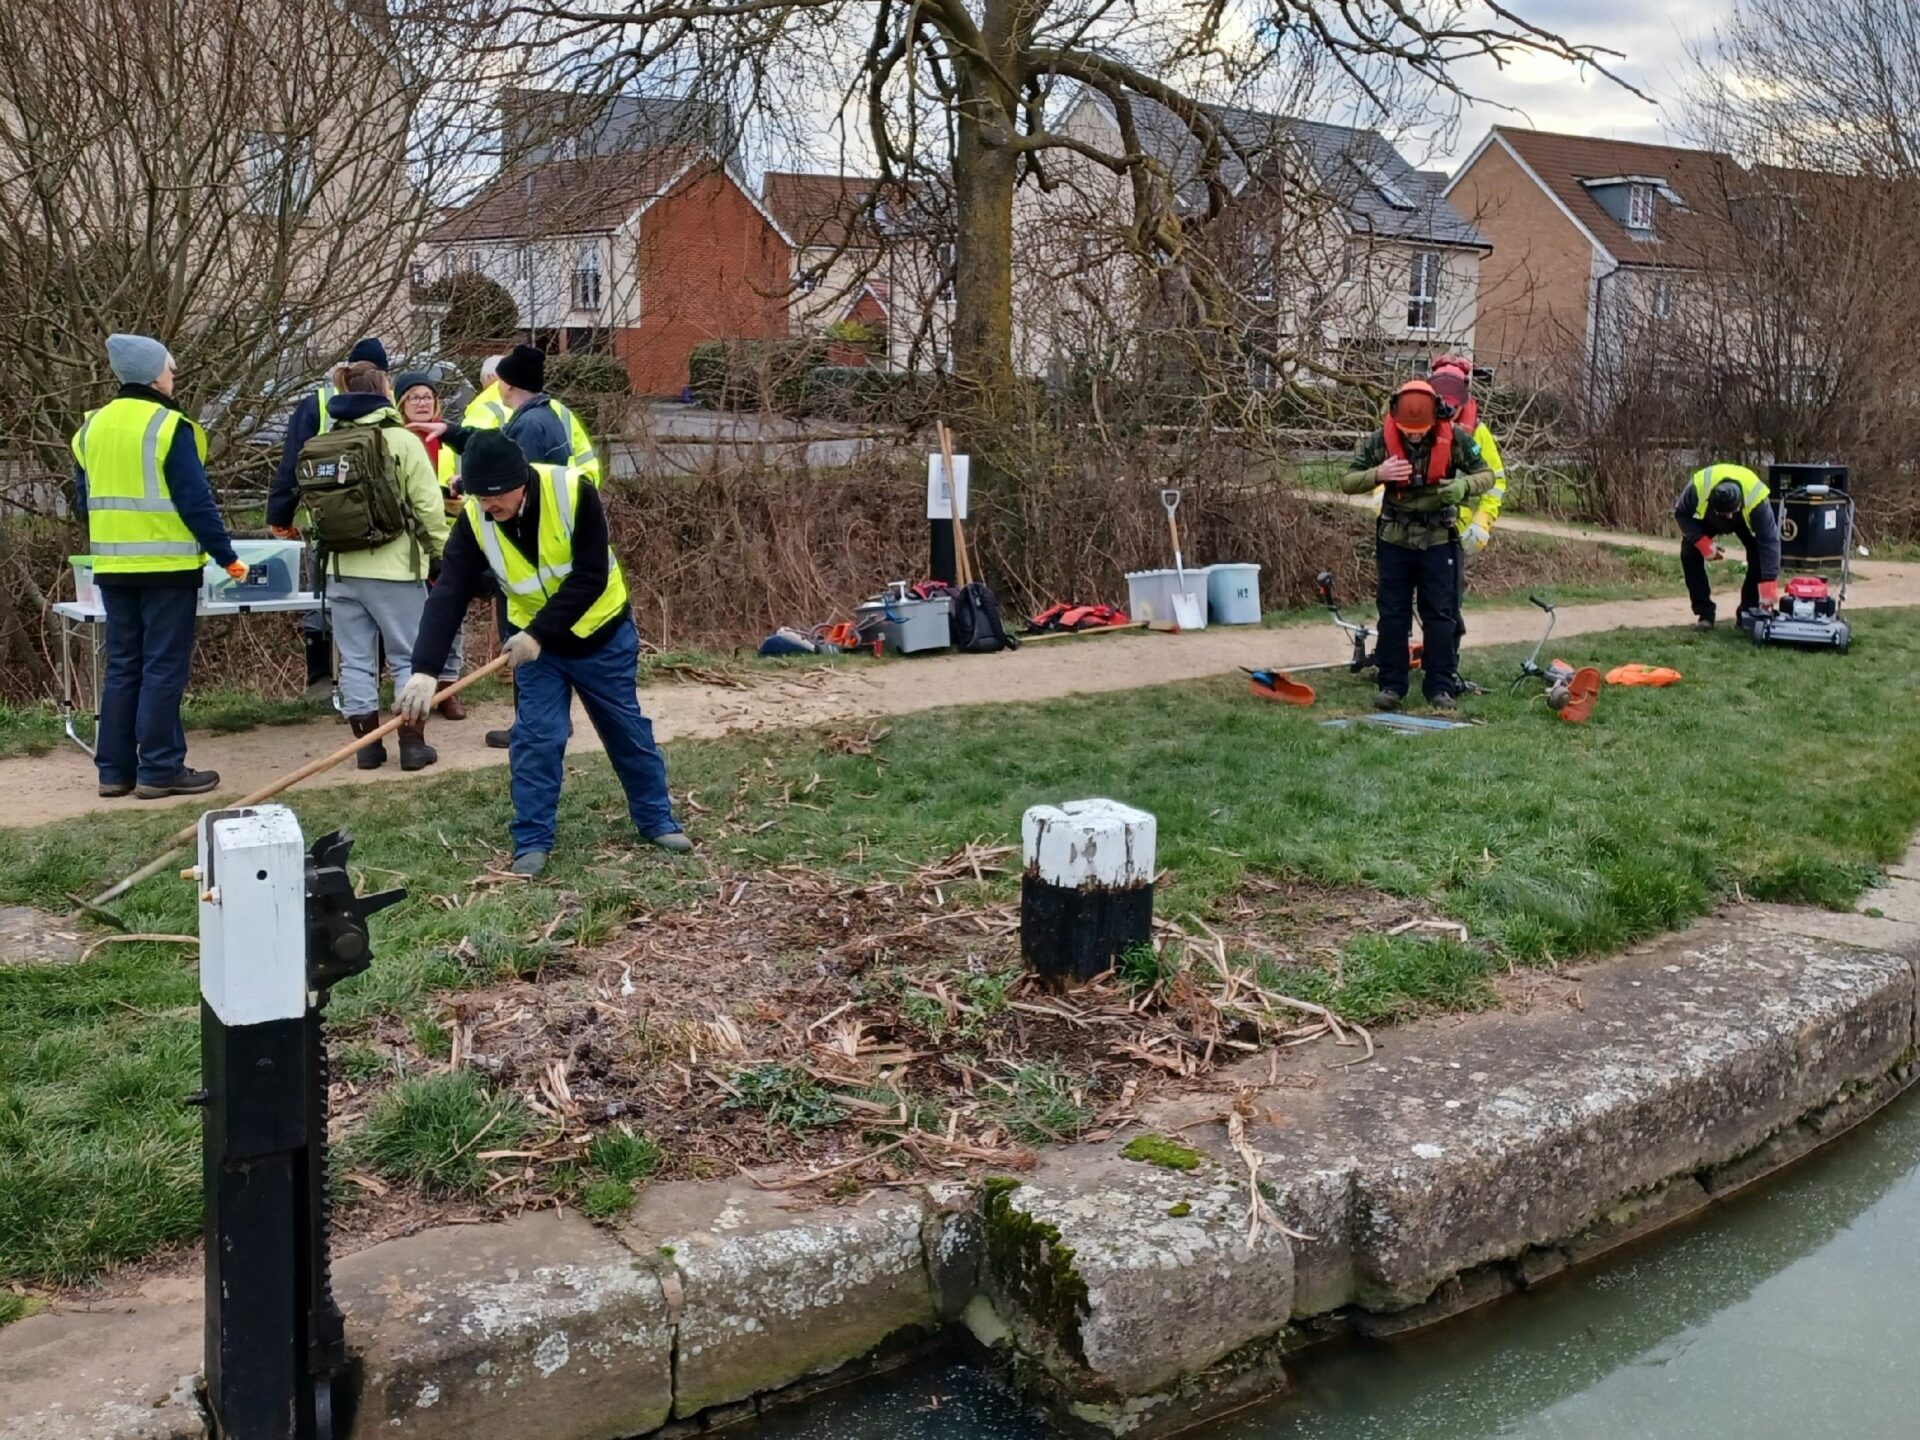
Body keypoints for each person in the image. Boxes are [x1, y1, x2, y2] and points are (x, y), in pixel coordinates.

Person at [395, 432, 688, 876]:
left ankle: (656, 821)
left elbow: (590, 576)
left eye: (493, 496)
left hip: (600, 637)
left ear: (520, 481)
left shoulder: (574, 492)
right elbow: (449, 592)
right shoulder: (477, 520)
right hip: (535, 652)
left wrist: (538, 633)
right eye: (478, 496)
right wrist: (425, 670)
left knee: (626, 731)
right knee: (537, 739)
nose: (486, 506)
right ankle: (531, 841)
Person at [72, 334, 246, 798]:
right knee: (163, 669)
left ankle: (113, 772)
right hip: (168, 569)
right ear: (153, 375)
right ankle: (160, 769)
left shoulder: (90, 428)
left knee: (123, 667)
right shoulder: (169, 426)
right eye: (170, 369)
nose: (173, 377)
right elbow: (196, 502)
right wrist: (227, 556)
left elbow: (81, 504)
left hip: (111, 568)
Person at [302, 361, 449, 771]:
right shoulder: (400, 440)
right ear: (385, 393)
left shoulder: (327, 440)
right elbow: (428, 508)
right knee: (409, 657)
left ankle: (366, 746)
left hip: (341, 570)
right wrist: (445, 554)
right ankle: (412, 744)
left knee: (355, 659)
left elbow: (308, 514)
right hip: (395, 569)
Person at [1342, 378, 1493, 712]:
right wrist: (1378, 474)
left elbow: (1487, 475)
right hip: (1394, 539)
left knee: (1441, 616)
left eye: (1419, 430)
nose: (1413, 436)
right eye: (1407, 430)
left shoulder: (1455, 439)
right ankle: (1392, 685)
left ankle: (1440, 686)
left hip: (1438, 539)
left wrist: (1463, 485)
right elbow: (1347, 481)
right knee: (1393, 615)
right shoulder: (1381, 440)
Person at [268, 336, 389, 701]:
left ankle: (321, 677)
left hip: (326, 521)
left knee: (321, 597)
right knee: (379, 603)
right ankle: (371, 680)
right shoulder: (388, 404)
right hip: (382, 525)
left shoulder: (316, 403)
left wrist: (280, 517)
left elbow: (292, 465)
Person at [396, 370, 468, 720]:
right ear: (401, 404)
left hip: (449, 539)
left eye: (427, 397)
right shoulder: (395, 439)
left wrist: (459, 492)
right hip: (407, 543)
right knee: (415, 617)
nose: (422, 403)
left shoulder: (450, 438)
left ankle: (448, 686)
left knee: (451, 612)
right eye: (414, 397)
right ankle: (416, 683)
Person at [1427, 356, 1507, 644]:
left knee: (1448, 603)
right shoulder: (1414, 423)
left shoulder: (1478, 433)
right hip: (1409, 531)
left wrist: (1481, 523)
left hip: (1454, 534)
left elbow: (1495, 481)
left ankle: (1446, 662)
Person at [1676, 463, 1780, 631]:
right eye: (1725, 514)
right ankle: (1705, 615)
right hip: (1708, 520)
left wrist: (1769, 585)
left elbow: (1769, 542)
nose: (1729, 517)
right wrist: (1703, 544)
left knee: (1759, 558)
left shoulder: (1757, 498)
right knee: (1689, 554)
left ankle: (1747, 613)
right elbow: (1681, 513)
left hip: (1745, 520)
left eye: (1732, 511)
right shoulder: (1697, 489)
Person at [462, 353, 508, 429]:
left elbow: (472, 437)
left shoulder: (487, 405)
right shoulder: (521, 399)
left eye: (482, 381)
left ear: (490, 376)